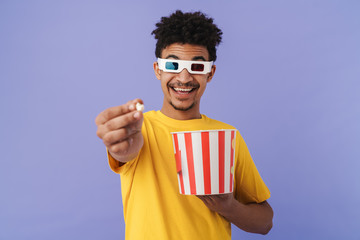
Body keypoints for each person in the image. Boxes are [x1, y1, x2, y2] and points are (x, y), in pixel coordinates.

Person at [95, 10, 273, 239]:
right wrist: (122, 149)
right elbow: (126, 152)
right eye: (172, 65)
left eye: (197, 67)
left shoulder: (228, 137)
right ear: (157, 70)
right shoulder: (139, 131)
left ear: (210, 73)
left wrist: (228, 207)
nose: (184, 78)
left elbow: (265, 223)